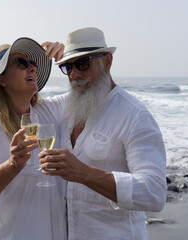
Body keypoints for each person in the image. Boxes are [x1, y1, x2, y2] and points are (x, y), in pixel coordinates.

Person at [39, 27, 167, 240]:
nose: (74, 75)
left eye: (83, 64)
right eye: (67, 67)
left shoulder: (134, 116)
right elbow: (25, 106)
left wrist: (84, 173)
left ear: (107, 61)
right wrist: (38, 59)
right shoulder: (69, 106)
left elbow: (154, 193)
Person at [0, 37, 67, 240]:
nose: (32, 68)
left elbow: (89, 92)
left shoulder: (49, 113)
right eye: (21, 63)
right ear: (2, 79)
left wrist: (67, 58)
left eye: (33, 63)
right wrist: (12, 165)